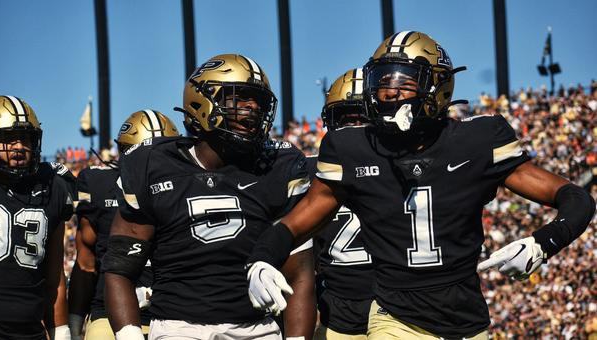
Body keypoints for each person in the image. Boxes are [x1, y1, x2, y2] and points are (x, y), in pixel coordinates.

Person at [245, 31, 596, 339]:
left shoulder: (476, 141)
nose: (389, 93)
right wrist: (262, 259)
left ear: (437, 86)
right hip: (395, 319)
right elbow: (298, 222)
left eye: (402, 82)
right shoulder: (352, 148)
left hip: (468, 321)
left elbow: (575, 197)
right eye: (382, 82)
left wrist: (542, 243)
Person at [103, 54, 316, 340]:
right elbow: (120, 268)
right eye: (239, 98)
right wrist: (129, 335)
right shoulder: (153, 164)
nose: (252, 108)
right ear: (201, 100)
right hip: (178, 327)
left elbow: (299, 273)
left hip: (257, 328)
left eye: (258, 102)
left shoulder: (278, 166)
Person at [68, 110, 180, 339]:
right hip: (108, 314)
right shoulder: (98, 183)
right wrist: (74, 322)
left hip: (174, 314)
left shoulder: (186, 186)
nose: (154, 162)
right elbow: (87, 263)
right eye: (146, 154)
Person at [0, 95, 74, 340]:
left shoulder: (53, 189)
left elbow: (54, 276)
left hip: (29, 328)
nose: (19, 147)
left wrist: (61, 332)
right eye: (9, 139)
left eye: (25, 139)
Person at [311, 68, 374, 340]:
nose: (353, 128)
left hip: (399, 306)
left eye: (361, 118)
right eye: (344, 119)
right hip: (336, 310)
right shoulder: (310, 171)